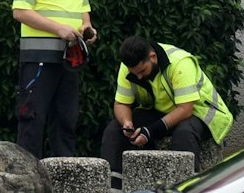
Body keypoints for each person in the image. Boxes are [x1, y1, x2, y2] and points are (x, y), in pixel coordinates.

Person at [11, 0, 96, 158]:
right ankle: (28, 176)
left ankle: (64, 173)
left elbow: (83, 9)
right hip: (39, 58)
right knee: (32, 118)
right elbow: (20, 12)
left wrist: (87, 27)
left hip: (69, 57)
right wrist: (58, 29)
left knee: (66, 120)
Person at [100, 36, 234, 179]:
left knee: (184, 133)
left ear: (152, 57)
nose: (138, 77)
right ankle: (112, 186)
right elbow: (121, 104)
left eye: (142, 71)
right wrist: (127, 123)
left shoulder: (180, 63)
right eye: (134, 73)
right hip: (164, 111)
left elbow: (186, 109)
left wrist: (151, 131)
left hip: (201, 112)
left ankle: (186, 185)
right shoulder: (129, 67)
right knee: (114, 130)